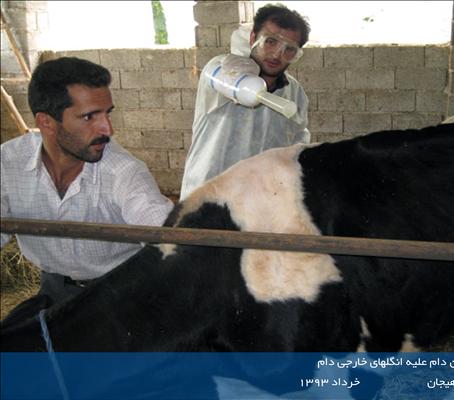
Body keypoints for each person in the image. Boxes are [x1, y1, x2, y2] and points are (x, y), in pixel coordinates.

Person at [0, 57, 173, 304]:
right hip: (53, 290)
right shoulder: (8, 163)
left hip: (123, 291)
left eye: (107, 114)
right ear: (46, 122)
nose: (108, 130)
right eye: (89, 117)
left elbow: (166, 236)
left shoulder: (123, 172)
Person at [180, 3, 311, 199]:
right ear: (252, 38)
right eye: (270, 41)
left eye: (289, 49)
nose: (277, 54)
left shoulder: (295, 93)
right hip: (206, 199)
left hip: (259, 204)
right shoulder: (222, 70)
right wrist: (245, 78)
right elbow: (235, 85)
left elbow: (297, 146)